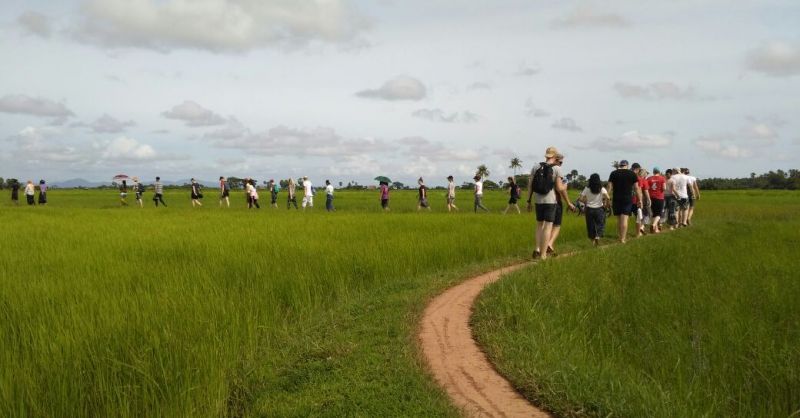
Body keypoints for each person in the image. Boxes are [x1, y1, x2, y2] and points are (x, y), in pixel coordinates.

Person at [526, 146, 574, 259]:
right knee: (548, 227)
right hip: (550, 201)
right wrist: (565, 185)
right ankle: (543, 255)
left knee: (539, 225)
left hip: (538, 201)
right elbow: (559, 188)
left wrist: (528, 201)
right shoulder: (557, 168)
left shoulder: (536, 166)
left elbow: (530, 186)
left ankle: (537, 249)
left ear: (546, 155)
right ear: (555, 156)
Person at [606, 160, 642, 243]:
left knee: (619, 219)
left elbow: (609, 187)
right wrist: (639, 200)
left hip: (616, 198)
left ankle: (620, 236)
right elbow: (636, 188)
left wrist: (607, 198)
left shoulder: (613, 173)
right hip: (627, 199)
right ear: (627, 166)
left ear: (620, 165)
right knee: (624, 218)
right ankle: (623, 239)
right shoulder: (632, 174)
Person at [546, 153, 569, 255]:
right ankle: (550, 244)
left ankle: (545, 248)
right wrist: (565, 185)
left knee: (547, 225)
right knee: (557, 225)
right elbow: (561, 190)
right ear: (556, 160)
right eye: (560, 162)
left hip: (544, 201)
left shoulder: (544, 169)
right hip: (556, 201)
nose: (561, 164)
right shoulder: (557, 170)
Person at [579, 173, 610, 246]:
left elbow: (580, 198)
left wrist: (586, 202)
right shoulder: (601, 188)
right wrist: (606, 205)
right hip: (599, 209)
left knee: (590, 226)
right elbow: (608, 198)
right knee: (600, 224)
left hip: (589, 209)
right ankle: (597, 236)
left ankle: (592, 243)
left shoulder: (587, 188)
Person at [631, 163, 651, 237]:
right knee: (639, 217)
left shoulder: (632, 178)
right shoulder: (642, 180)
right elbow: (644, 191)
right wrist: (648, 200)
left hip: (629, 200)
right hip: (638, 200)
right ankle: (638, 233)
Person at [646, 167, 666, 233]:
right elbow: (664, 188)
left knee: (654, 213)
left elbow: (646, 188)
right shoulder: (662, 178)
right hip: (659, 197)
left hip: (651, 197)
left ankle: (655, 229)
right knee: (659, 214)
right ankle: (653, 224)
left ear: (653, 172)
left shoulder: (649, 178)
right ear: (659, 172)